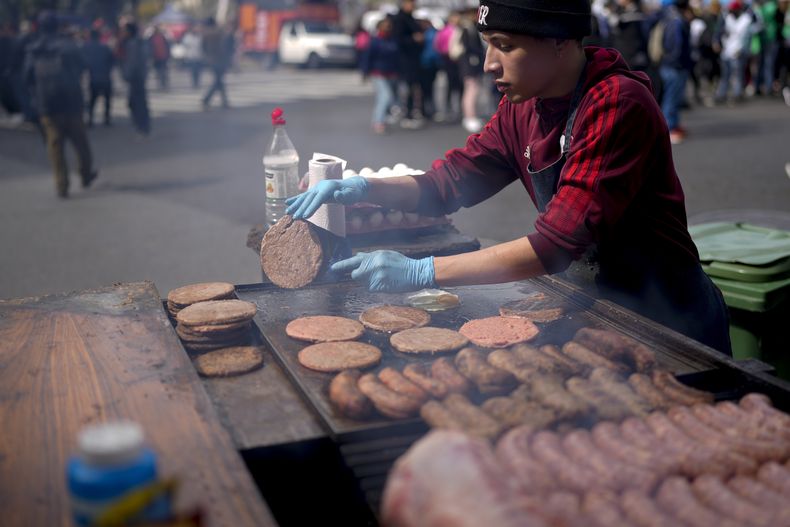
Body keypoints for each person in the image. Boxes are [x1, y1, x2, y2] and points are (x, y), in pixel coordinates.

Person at [285, 0, 732, 356]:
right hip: (600, 307)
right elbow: (450, 183)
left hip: (668, 319)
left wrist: (424, 271)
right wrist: (364, 188)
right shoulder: (522, 106)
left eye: (504, 44)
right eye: (486, 44)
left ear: (559, 42)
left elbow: (555, 245)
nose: (488, 63)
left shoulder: (616, 103)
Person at [24, 11, 97, 198]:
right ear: (57, 26)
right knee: (81, 143)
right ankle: (86, 174)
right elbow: (83, 66)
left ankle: (61, 185)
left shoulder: (34, 50)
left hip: (47, 105)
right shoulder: (68, 46)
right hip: (71, 102)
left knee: (55, 147)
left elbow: (27, 78)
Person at [657, 0, 693, 144]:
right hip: (674, 66)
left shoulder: (667, 18)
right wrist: (678, 61)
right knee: (671, 98)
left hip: (669, 64)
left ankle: (674, 125)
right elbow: (675, 46)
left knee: (673, 97)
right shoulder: (676, 21)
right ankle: (669, 128)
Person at [361, 17, 400, 134]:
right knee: (385, 96)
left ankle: (382, 117)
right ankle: (379, 121)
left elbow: (397, 58)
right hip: (378, 73)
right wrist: (365, 72)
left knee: (388, 98)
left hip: (392, 73)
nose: (388, 27)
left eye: (389, 25)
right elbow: (367, 57)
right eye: (385, 25)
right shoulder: (375, 41)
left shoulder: (393, 40)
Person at [451, 8, 486, 133]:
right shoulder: (467, 28)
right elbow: (470, 48)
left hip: (468, 65)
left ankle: (471, 116)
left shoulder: (467, 27)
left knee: (471, 90)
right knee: (471, 91)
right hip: (469, 65)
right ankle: (469, 117)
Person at [391, 0, 425, 127]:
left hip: (413, 58)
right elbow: (398, 39)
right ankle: (406, 114)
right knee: (407, 87)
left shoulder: (411, 18)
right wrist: (413, 39)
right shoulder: (400, 19)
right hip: (404, 59)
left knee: (413, 87)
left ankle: (411, 112)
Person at [716, 0, 753, 103]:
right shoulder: (727, 18)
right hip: (726, 51)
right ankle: (721, 94)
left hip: (738, 51)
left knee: (737, 75)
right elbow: (720, 32)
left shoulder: (745, 20)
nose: (731, 12)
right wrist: (718, 42)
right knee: (725, 75)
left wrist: (741, 50)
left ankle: (737, 94)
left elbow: (745, 38)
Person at [118, 21, 150, 135]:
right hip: (139, 76)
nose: (123, 33)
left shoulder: (133, 43)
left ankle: (142, 128)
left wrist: (127, 75)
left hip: (136, 77)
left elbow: (132, 62)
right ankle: (142, 127)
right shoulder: (137, 41)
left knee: (136, 103)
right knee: (138, 103)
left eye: (124, 30)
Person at [434, 12, 464, 122]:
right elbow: (438, 45)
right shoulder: (446, 31)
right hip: (449, 60)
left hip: (457, 60)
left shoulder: (459, 29)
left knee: (459, 85)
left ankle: (459, 108)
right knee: (452, 84)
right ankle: (449, 107)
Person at [81, 28, 114, 126]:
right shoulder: (105, 47)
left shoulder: (86, 47)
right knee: (107, 99)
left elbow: (83, 62)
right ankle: (107, 118)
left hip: (93, 77)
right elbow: (112, 61)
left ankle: (90, 119)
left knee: (92, 99)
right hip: (105, 77)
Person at [201, 17, 231, 109]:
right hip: (220, 60)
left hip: (211, 60)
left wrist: (207, 57)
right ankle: (207, 99)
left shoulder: (205, 34)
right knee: (219, 81)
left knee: (219, 81)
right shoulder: (219, 33)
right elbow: (224, 48)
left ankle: (223, 101)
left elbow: (203, 48)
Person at [148, 25, 170, 90]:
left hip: (163, 57)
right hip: (156, 57)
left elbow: (167, 46)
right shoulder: (151, 38)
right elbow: (149, 48)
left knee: (163, 72)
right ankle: (160, 85)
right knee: (158, 72)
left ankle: (164, 85)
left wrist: (168, 55)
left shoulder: (162, 37)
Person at [181, 25, 203, 89]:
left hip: (199, 56)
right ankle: (194, 83)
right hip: (191, 57)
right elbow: (185, 46)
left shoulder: (199, 36)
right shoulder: (188, 37)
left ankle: (197, 83)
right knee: (193, 71)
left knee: (198, 71)